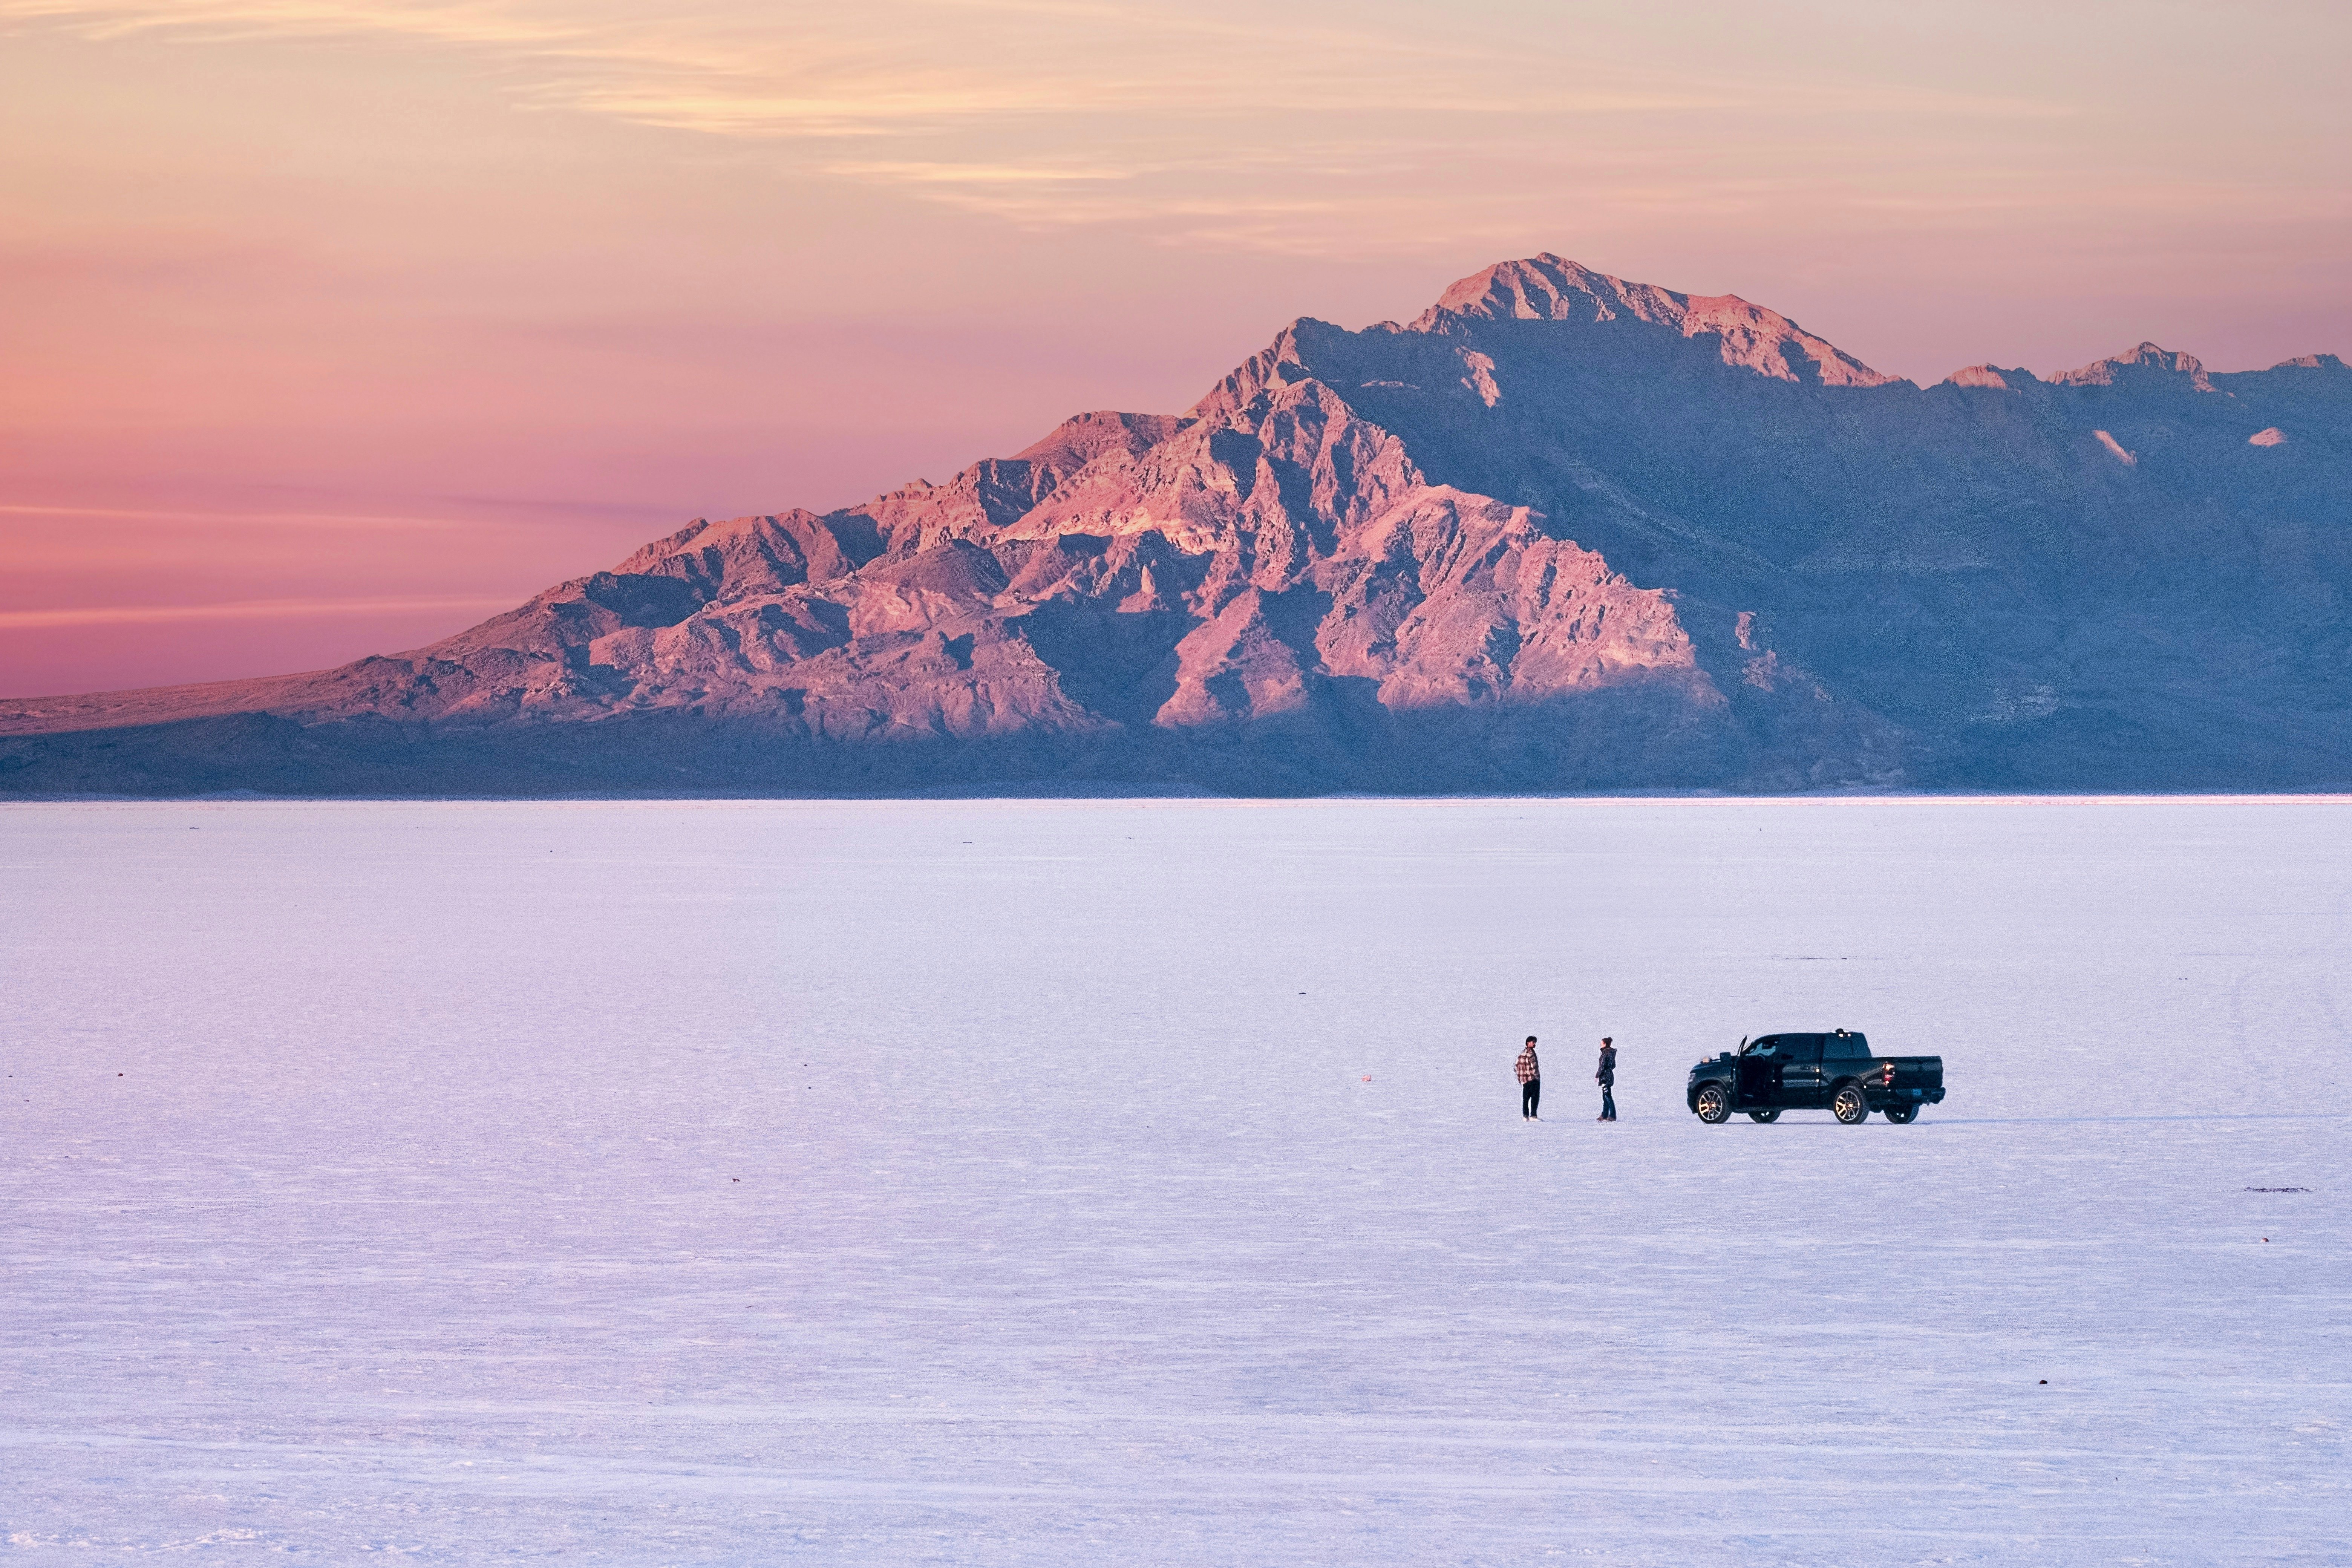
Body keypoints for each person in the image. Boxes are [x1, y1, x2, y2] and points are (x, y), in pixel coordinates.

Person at [1515, 1036, 1540, 1119]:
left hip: (1525, 1081)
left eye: (1534, 1042)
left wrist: (1522, 1078)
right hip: (1533, 1080)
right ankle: (1533, 1115)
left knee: (1526, 1099)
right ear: (1528, 1043)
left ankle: (1525, 1116)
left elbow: (1516, 1067)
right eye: (1533, 1042)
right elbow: (1534, 1067)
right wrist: (1536, 1077)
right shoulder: (1531, 1054)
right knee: (1535, 1098)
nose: (1534, 1044)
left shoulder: (1521, 1054)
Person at [1596, 1037, 1618, 1121]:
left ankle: (1612, 1115)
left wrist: (1598, 1075)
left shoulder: (1605, 1054)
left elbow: (1602, 1066)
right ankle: (1605, 1115)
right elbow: (1613, 1066)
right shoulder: (1612, 1053)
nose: (1600, 1044)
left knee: (1607, 1096)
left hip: (1605, 1078)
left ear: (1605, 1043)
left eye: (1602, 1043)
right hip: (1610, 1077)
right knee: (1605, 1096)